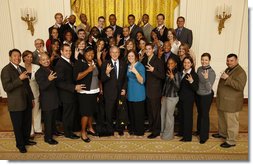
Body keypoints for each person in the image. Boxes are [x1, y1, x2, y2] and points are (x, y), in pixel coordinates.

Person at [1, 49, 36, 153]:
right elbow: (7, 87)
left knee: (26, 123)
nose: (17, 58)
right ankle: (20, 145)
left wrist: (32, 98)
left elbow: (27, 86)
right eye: (14, 56)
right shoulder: (6, 70)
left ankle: (26, 140)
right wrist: (19, 79)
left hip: (26, 101)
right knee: (18, 125)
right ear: (10, 57)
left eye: (18, 56)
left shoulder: (21, 68)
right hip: (16, 103)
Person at [212, 54, 247, 148]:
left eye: (231, 61)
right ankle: (222, 133)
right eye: (228, 60)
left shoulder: (241, 72)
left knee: (232, 123)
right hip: (223, 101)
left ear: (236, 60)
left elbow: (239, 87)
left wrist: (228, 78)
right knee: (222, 119)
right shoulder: (229, 69)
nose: (229, 62)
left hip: (231, 102)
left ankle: (231, 141)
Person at [55, 44, 84, 139]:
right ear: (61, 52)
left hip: (71, 94)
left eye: (69, 51)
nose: (68, 52)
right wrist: (74, 87)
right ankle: (68, 133)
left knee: (71, 113)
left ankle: (71, 129)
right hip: (66, 94)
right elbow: (59, 83)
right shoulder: (60, 64)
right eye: (66, 51)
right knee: (68, 114)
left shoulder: (69, 61)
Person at [73, 47, 100, 143]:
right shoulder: (80, 63)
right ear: (84, 54)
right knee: (85, 113)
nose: (91, 55)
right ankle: (83, 132)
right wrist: (88, 70)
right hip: (85, 92)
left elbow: (97, 76)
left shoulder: (94, 62)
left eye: (92, 53)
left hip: (94, 91)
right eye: (88, 53)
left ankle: (90, 128)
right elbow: (77, 77)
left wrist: (99, 89)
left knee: (91, 112)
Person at [101, 46, 127, 136]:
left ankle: (119, 128)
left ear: (119, 54)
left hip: (120, 92)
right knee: (109, 112)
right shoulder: (105, 63)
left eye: (117, 52)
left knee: (119, 111)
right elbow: (102, 79)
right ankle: (110, 129)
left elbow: (125, 78)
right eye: (113, 52)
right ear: (110, 53)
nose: (115, 54)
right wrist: (107, 73)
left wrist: (124, 88)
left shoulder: (123, 63)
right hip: (109, 93)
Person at [35, 53, 59, 145]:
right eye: (43, 60)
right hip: (47, 100)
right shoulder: (39, 72)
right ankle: (48, 138)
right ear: (40, 62)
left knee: (53, 118)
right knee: (48, 120)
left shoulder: (51, 68)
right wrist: (48, 79)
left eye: (47, 59)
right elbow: (42, 86)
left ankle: (54, 131)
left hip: (54, 98)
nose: (46, 61)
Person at [142, 43, 165, 139]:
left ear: (153, 50)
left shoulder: (158, 61)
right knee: (150, 111)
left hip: (155, 91)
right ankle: (151, 127)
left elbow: (162, 76)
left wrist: (153, 70)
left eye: (149, 49)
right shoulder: (144, 60)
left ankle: (156, 131)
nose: (147, 51)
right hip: (147, 90)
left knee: (156, 112)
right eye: (146, 49)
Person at [194, 53, 216, 144]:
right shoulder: (199, 69)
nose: (204, 61)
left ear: (209, 61)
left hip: (206, 96)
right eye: (202, 59)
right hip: (198, 94)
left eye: (206, 60)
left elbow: (208, 88)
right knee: (200, 113)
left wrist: (206, 79)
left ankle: (204, 136)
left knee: (204, 115)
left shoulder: (211, 72)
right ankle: (199, 131)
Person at [21, 50, 42, 137]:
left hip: (35, 91)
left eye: (31, 57)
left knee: (36, 111)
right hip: (24, 93)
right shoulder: (20, 67)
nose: (29, 58)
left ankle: (38, 129)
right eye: (27, 56)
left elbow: (40, 81)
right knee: (27, 113)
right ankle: (30, 131)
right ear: (23, 58)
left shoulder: (36, 67)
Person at [178, 56, 198, 142]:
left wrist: (191, 81)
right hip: (181, 98)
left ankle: (187, 137)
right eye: (185, 62)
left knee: (187, 118)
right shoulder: (181, 72)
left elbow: (196, 88)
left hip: (188, 99)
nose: (186, 64)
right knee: (181, 116)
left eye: (188, 63)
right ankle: (181, 132)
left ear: (191, 64)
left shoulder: (194, 75)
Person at [160, 57, 180, 140]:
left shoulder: (177, 73)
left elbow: (178, 87)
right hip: (165, 96)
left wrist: (172, 78)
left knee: (169, 116)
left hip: (172, 98)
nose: (170, 65)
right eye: (168, 63)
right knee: (162, 114)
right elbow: (165, 85)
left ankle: (168, 136)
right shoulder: (168, 72)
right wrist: (162, 95)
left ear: (175, 64)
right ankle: (163, 131)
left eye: (172, 63)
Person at [126, 50, 146, 136]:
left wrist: (135, 72)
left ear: (136, 57)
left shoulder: (140, 66)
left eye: (132, 56)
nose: (130, 57)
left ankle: (139, 131)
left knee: (139, 113)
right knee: (132, 113)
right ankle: (133, 129)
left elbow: (142, 81)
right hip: (130, 92)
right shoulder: (128, 66)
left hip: (138, 92)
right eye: (129, 56)